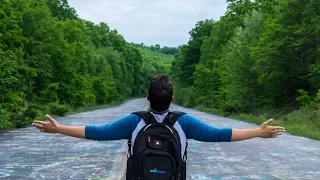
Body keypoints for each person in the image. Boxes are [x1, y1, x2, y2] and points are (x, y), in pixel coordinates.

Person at [32, 74, 285, 179]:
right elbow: (221, 134)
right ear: (172, 99)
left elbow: (97, 133)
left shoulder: (135, 121)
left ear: (147, 97)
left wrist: (59, 128)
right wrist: (258, 132)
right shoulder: (184, 122)